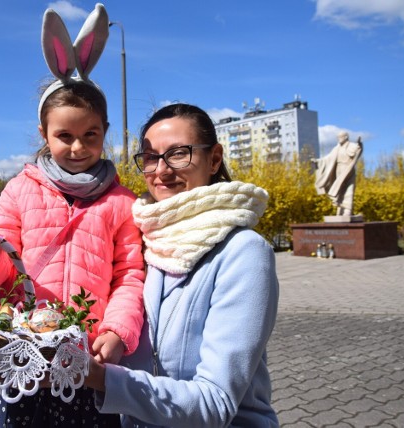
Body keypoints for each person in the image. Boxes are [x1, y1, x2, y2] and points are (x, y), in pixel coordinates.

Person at [0, 4, 144, 427]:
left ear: (105, 132)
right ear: (44, 133)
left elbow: (130, 276)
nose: (78, 147)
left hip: (88, 358)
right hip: (22, 355)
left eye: (89, 135)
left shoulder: (121, 202)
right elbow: (0, 274)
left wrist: (117, 333)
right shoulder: (20, 190)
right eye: (65, 136)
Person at [84, 103, 280, 427]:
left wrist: (103, 379)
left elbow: (214, 404)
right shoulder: (138, 241)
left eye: (178, 153)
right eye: (150, 157)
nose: (161, 170)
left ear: (214, 159)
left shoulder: (243, 253)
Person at [313, 131, 363, 216]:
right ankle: (340, 210)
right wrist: (318, 161)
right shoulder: (337, 148)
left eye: (340, 137)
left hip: (348, 170)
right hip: (339, 170)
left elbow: (358, 149)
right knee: (339, 191)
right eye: (338, 137)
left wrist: (360, 145)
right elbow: (327, 158)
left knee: (349, 190)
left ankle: (347, 210)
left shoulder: (352, 146)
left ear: (346, 137)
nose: (338, 139)